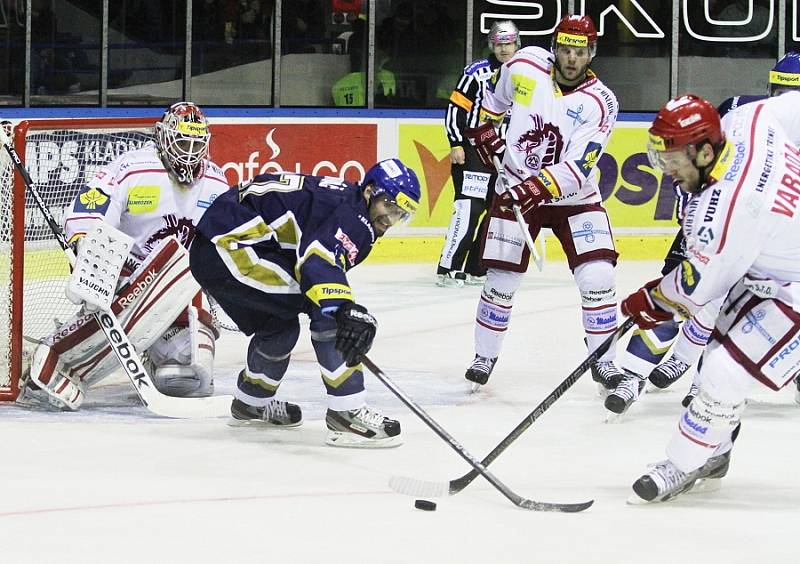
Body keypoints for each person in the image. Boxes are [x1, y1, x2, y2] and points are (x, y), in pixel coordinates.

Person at [622, 91, 800, 503]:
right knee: (716, 355)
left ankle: (684, 463)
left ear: (704, 152)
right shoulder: (747, 122)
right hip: (771, 270)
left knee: (724, 372)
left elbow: (690, 292)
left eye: (672, 160)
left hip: (792, 287)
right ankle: (714, 451)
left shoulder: (725, 214)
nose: (665, 170)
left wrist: (648, 301)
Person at [610, 51, 800, 415]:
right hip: (714, 228)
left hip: (763, 246)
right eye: (777, 88)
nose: (780, 97)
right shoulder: (746, 112)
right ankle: (633, 373)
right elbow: (700, 168)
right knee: (681, 290)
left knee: (721, 308)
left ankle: (701, 381)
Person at [189, 158, 421, 448]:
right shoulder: (355, 217)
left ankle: (251, 403)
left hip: (220, 247)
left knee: (280, 328)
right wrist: (343, 309)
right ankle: (345, 412)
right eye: (389, 205)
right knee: (328, 310)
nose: (390, 219)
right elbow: (316, 261)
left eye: (400, 214)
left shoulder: (350, 204)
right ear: (369, 191)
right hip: (229, 249)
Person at [16, 102, 230, 411]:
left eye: (197, 144)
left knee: (190, 371)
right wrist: (88, 255)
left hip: (181, 288)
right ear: (164, 137)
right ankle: (54, 363)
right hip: (126, 278)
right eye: (183, 141)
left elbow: (225, 239)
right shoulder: (134, 167)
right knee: (92, 345)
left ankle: (161, 353)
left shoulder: (216, 181)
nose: (189, 151)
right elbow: (91, 210)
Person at [462, 15, 622, 390]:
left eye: (579, 52)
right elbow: (494, 101)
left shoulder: (602, 103)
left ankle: (605, 360)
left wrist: (532, 189)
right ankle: (484, 356)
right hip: (516, 182)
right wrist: (486, 128)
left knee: (598, 277)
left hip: (575, 197)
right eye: (565, 49)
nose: (571, 58)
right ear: (555, 47)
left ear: (591, 54)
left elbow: (580, 167)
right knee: (501, 280)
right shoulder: (523, 65)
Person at [435, 20, 519, 288]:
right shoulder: (476, 73)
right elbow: (455, 109)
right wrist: (456, 142)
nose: (504, 49)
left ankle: (476, 267)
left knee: (497, 212)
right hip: (473, 149)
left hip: (504, 154)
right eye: (499, 44)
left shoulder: (526, 76)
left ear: (518, 44)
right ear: (492, 45)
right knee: (468, 208)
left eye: (509, 44)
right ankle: (448, 267)